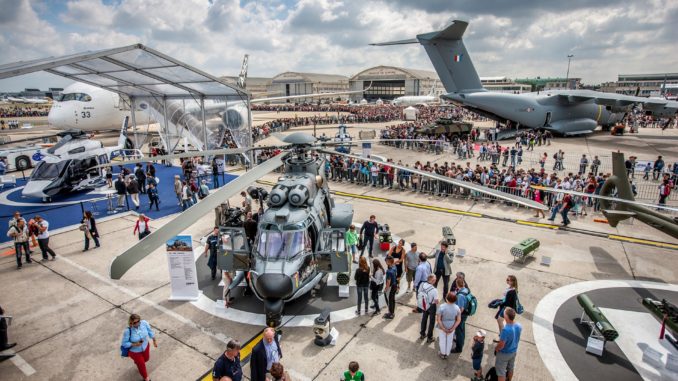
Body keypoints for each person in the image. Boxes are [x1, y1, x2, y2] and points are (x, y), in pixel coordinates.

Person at [121, 313, 157, 381]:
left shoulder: (144, 323)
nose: (137, 323)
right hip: (135, 352)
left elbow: (150, 331)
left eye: (138, 321)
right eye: (135, 322)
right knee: (142, 365)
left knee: (146, 359)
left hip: (145, 346)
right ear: (131, 322)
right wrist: (134, 344)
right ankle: (146, 378)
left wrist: (154, 340)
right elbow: (124, 344)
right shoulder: (128, 331)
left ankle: (137, 362)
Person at [495, 307, 522, 381]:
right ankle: (509, 379)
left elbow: (501, 345)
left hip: (504, 354)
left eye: (504, 312)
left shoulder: (505, 330)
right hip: (513, 352)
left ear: (506, 317)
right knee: (511, 368)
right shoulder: (519, 326)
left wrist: (496, 349)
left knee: (501, 373)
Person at [436, 291, 461, 359]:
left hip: (442, 326)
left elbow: (439, 319)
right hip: (452, 326)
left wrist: (443, 328)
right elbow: (458, 320)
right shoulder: (457, 308)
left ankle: (442, 353)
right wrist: (452, 328)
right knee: (450, 341)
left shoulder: (442, 307)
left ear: (446, 298)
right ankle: (447, 354)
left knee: (442, 340)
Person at [418, 274, 438, 344]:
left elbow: (419, 292)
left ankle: (422, 334)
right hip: (431, 306)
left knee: (424, 318)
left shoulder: (422, 284)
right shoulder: (434, 290)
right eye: (435, 279)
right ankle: (430, 337)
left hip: (424, 303)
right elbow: (436, 301)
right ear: (432, 280)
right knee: (432, 321)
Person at [453, 277, 469, 353]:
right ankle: (461, 342)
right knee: (462, 329)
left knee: (459, 331)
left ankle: (458, 348)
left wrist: (457, 317)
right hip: (465, 314)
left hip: (461, 315)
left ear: (457, 284)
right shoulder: (466, 290)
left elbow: (461, 309)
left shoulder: (460, 296)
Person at [382, 256, 397, 320]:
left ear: (388, 262)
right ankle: (392, 312)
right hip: (395, 285)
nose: (385, 262)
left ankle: (390, 314)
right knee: (392, 300)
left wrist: (386, 289)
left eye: (386, 261)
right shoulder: (394, 267)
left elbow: (388, 281)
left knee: (389, 301)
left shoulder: (389, 271)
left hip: (391, 287)